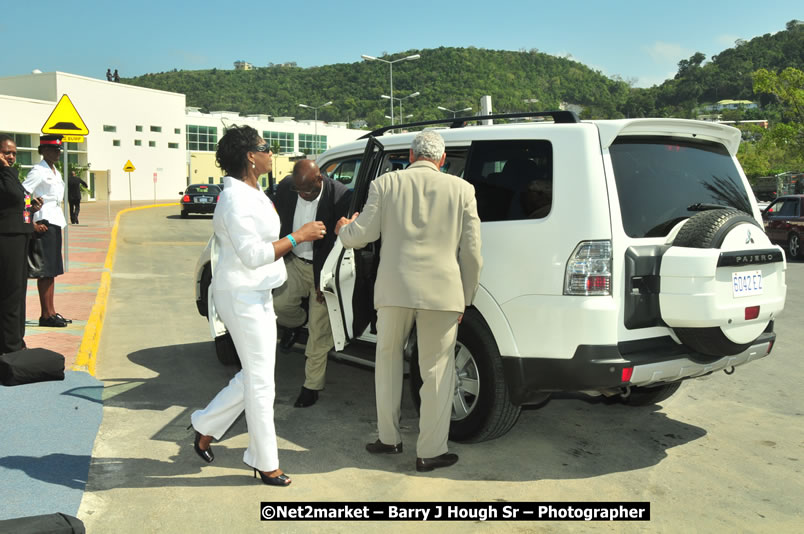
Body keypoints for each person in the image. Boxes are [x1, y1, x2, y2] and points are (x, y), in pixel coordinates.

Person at [336, 131, 482, 472]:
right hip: (442, 294)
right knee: (436, 370)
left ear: (412, 155)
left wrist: (344, 227)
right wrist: (466, 297)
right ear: (442, 160)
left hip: (394, 290)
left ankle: (388, 439)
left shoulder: (385, 184)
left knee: (386, 362)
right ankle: (430, 451)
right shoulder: (463, 189)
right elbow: (472, 253)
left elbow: (362, 236)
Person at [188, 125, 326, 487]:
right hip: (241, 295)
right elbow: (253, 255)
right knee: (263, 383)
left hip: (258, 292)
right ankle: (265, 462)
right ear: (250, 155)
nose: (271, 153)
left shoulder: (255, 191)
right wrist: (299, 236)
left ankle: (205, 426)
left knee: (254, 376)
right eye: (266, 148)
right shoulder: (234, 200)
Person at [272, 159, 351, 408]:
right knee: (277, 306)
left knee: (319, 331)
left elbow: (342, 242)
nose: (303, 194)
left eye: (307, 189)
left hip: (323, 270)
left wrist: (323, 281)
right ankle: (296, 325)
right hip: (294, 262)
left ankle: (311, 386)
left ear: (320, 179)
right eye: (299, 190)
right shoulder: (287, 187)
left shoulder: (340, 196)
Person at [22, 135, 70, 328]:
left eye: (59, 150)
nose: (58, 153)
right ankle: (45, 314)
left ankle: (51, 312)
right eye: (53, 150)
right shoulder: (38, 171)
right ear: (44, 151)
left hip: (55, 220)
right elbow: (23, 194)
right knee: (44, 271)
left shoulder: (54, 171)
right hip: (43, 221)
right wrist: (29, 220)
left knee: (51, 271)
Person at [0, 135, 41, 353]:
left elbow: (20, 202)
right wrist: (6, 168)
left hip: (20, 237)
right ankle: (10, 345)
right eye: (7, 152)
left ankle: (16, 339)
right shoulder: (5, 175)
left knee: (18, 293)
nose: (12, 156)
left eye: (14, 153)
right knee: (10, 293)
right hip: (7, 240)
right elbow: (11, 194)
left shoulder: (12, 176)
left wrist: (31, 211)